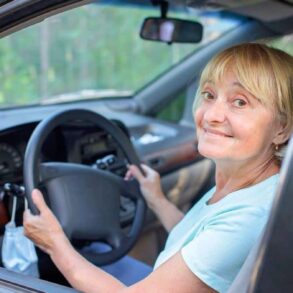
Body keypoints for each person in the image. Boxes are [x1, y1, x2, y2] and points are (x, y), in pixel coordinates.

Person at [23, 43, 293, 293]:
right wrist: (157, 198)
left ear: (282, 128)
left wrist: (55, 243)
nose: (211, 115)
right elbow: (200, 241)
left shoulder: (250, 217)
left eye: (240, 102)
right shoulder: (256, 186)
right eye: (209, 95)